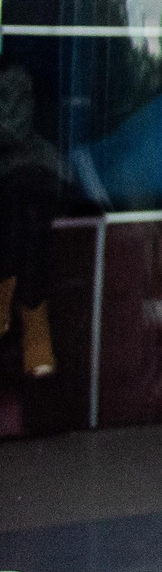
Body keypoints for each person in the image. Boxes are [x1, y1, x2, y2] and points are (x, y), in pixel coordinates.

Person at [0, 64, 64, 380]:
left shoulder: (11, 74)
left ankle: (18, 308)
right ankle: (33, 328)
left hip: (29, 170)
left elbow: (13, 129)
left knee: (24, 215)